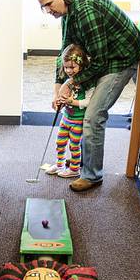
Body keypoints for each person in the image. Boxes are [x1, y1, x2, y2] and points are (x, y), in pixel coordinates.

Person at [36, 0, 140, 192]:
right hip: (104, 57)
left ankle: (92, 175)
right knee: (82, 97)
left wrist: (72, 81)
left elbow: (99, 61)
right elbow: (65, 53)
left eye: (49, 4)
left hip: (120, 59)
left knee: (93, 115)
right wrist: (57, 88)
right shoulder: (68, 15)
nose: (48, 11)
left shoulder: (86, 13)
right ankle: (83, 166)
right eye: (43, 8)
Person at [45, 44, 94, 179]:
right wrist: (60, 102)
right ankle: (60, 165)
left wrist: (72, 102)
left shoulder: (87, 83)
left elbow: (89, 102)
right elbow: (63, 98)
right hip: (65, 118)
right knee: (60, 143)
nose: (68, 70)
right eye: (66, 67)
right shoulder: (68, 82)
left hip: (78, 121)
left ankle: (74, 169)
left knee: (74, 146)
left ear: (82, 65)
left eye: (72, 67)